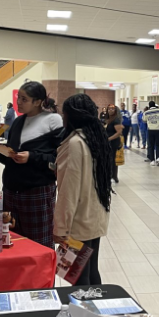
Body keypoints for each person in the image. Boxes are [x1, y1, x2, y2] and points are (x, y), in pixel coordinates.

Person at [0, 81, 62, 248]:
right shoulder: (18, 122)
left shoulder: (52, 120)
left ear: (38, 101)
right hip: (11, 190)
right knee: (13, 241)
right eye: (19, 98)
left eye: (24, 99)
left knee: (39, 244)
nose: (18, 102)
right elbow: (11, 158)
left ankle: (42, 275)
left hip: (36, 191)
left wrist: (31, 157)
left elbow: (58, 159)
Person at [54, 94, 112, 286]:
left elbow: (69, 189)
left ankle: (84, 314)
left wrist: (61, 227)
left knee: (77, 276)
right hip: (94, 215)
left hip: (77, 221)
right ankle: (97, 311)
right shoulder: (96, 137)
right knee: (91, 271)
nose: (62, 117)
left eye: (64, 114)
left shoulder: (75, 143)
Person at [104, 104, 124, 184]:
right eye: (109, 109)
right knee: (109, 158)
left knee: (112, 159)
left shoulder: (116, 120)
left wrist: (109, 139)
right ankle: (111, 175)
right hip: (108, 142)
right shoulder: (108, 119)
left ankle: (114, 176)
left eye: (112, 109)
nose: (110, 110)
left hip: (113, 142)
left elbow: (119, 133)